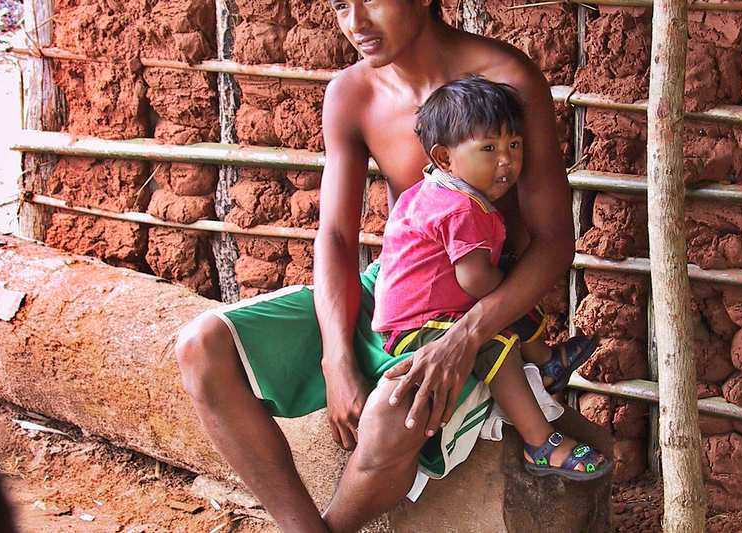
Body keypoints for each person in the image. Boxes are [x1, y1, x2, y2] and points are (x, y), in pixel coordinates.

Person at [175, 1, 613, 531]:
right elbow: (336, 236)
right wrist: (336, 359)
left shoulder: (507, 80)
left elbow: (553, 244)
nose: (355, 22)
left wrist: (467, 338)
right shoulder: (352, 93)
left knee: (394, 413)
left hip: (466, 310)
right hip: (390, 291)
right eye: (341, 5)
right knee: (201, 346)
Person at [372, 75, 610, 480]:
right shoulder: (461, 209)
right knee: (497, 331)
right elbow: (474, 281)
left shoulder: (433, 191)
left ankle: (546, 361)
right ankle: (541, 443)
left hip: (416, 315)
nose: (507, 161)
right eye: (489, 148)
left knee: (509, 296)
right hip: (417, 330)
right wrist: (510, 292)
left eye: (513, 146)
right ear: (445, 158)